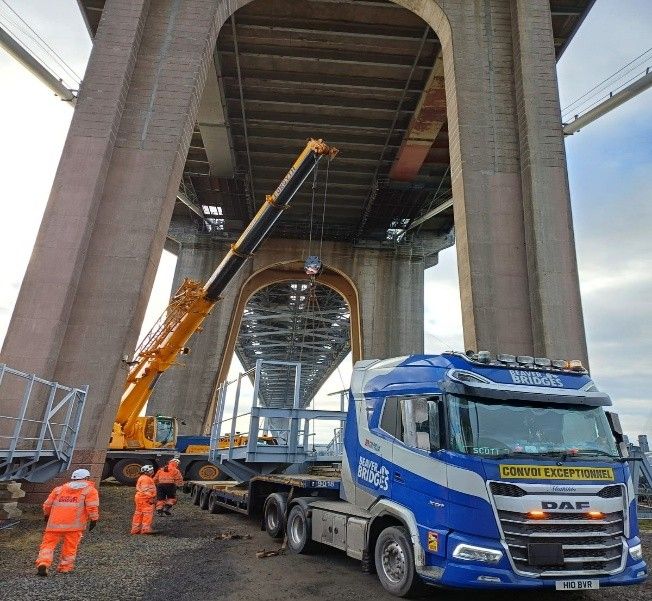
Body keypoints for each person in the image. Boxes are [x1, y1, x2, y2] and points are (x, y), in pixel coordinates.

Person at [35, 468, 99, 576]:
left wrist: (46, 515)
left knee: (47, 545)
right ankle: (65, 567)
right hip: (74, 526)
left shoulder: (58, 489)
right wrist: (94, 519)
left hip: (54, 524)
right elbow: (92, 507)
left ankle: (43, 563)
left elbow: (47, 505)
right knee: (70, 546)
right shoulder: (90, 490)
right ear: (87, 478)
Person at [131, 464, 157, 535]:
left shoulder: (143, 477)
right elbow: (146, 490)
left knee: (138, 513)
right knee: (147, 513)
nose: (152, 472)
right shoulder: (146, 479)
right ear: (147, 472)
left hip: (140, 498)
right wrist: (151, 498)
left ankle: (135, 529)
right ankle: (145, 529)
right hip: (145, 499)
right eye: (151, 470)